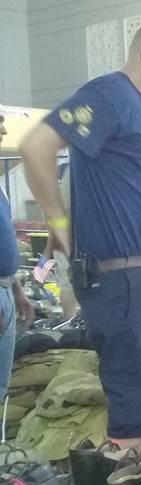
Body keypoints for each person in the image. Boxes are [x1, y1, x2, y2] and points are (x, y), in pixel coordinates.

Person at [21, 21, 141, 460]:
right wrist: (57, 221)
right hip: (120, 281)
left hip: (140, 274)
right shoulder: (111, 94)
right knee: (136, 414)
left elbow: (124, 182)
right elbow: (37, 144)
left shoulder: (136, 109)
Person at [0, 113, 35, 399]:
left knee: (2, 382)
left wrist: (18, 291)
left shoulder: (0, 187)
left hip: (6, 289)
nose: (3, 129)